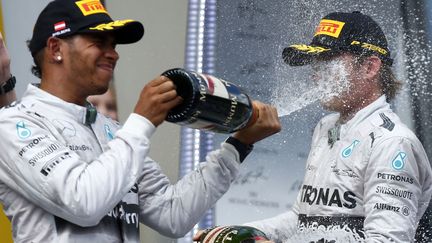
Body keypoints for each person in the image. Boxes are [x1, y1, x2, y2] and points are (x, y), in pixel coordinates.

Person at [0, 0, 281, 242]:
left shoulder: (111, 130)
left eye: (114, 44)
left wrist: (238, 146)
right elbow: (83, 202)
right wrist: (142, 121)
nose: (114, 53)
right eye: (99, 42)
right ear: (55, 48)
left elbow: (173, 214)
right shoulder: (13, 125)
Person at [197, 11, 432, 243]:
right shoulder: (326, 127)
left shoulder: (392, 143)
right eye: (316, 65)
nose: (316, 77)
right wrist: (234, 233)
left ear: (369, 67)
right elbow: (303, 221)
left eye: (328, 63)